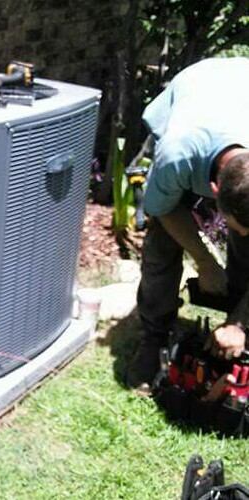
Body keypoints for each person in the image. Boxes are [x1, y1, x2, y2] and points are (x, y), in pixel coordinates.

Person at [127, 57, 249, 393]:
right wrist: (207, 263)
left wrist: (241, 321)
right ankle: (153, 337)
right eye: (234, 224)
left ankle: (236, 329)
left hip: (240, 89)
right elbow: (161, 210)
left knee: (245, 247)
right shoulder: (177, 153)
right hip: (197, 88)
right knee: (163, 244)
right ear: (212, 193)